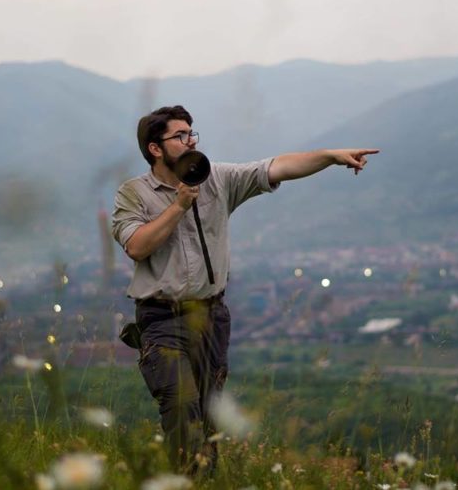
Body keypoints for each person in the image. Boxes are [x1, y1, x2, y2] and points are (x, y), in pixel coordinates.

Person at [112, 105, 378, 473]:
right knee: (178, 402)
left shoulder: (217, 179)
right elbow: (137, 246)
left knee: (209, 412)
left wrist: (330, 157)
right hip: (160, 318)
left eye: (192, 133)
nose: (190, 141)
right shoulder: (134, 194)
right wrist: (177, 206)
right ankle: (184, 479)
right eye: (180, 135)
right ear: (155, 148)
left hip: (210, 315)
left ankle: (203, 479)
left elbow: (276, 167)